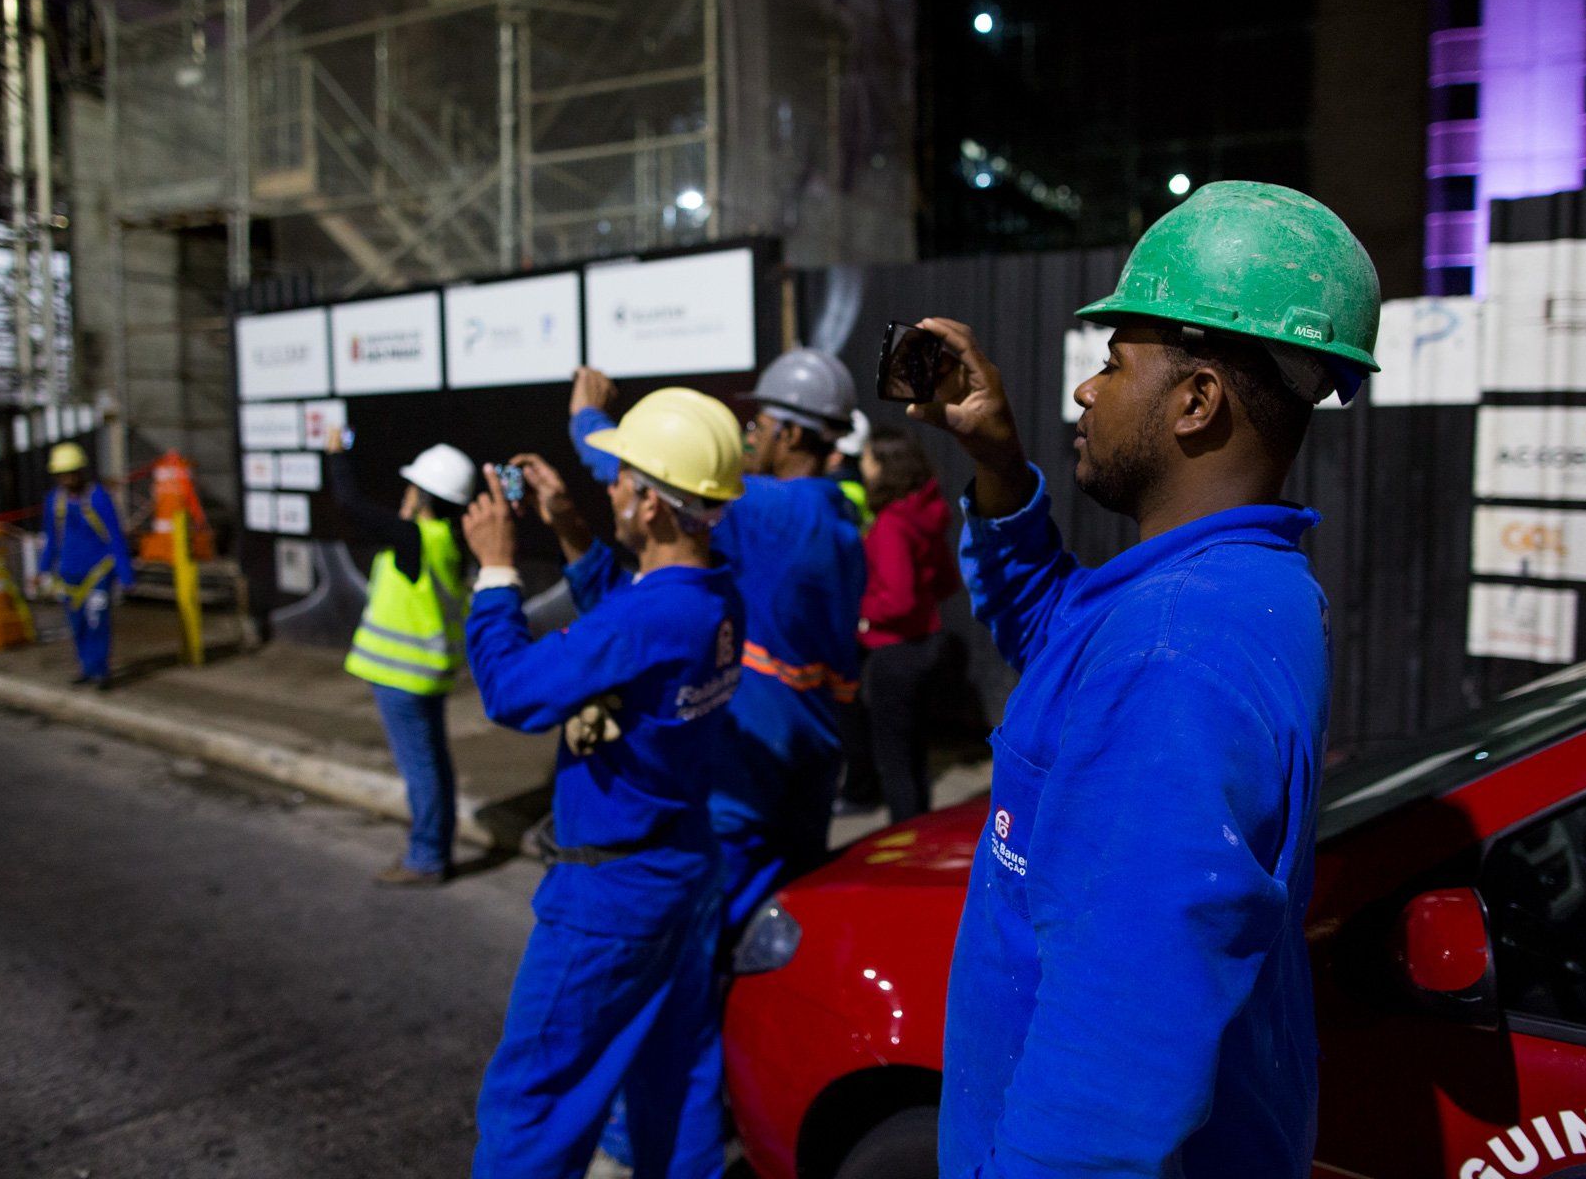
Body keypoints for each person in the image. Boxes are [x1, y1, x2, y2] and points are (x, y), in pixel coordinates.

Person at [911, 181, 1380, 1178]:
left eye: (1114, 363)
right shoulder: (1227, 589)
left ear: (1197, 399)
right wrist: (997, 461)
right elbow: (1052, 627)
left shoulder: (1178, 650)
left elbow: (1112, 1067)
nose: (1085, 391)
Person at [463, 389, 746, 1179]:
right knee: (676, 1073)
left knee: (533, 1101)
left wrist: (494, 570)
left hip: (610, 896)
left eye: (620, 478)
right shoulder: (716, 594)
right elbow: (627, 631)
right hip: (684, 866)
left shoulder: (648, 620)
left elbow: (512, 692)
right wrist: (568, 527)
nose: (610, 487)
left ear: (652, 504)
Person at [569, 352, 866, 935]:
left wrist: (586, 418)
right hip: (817, 749)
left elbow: (637, 472)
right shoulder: (841, 516)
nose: (749, 435)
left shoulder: (770, 511)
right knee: (784, 920)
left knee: (714, 931)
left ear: (793, 432)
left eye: (759, 426)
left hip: (756, 757)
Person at [328, 428, 476, 886]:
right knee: (433, 764)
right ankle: (434, 849)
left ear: (425, 496)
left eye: (412, 488)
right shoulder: (449, 540)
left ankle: (427, 858)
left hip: (401, 678)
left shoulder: (415, 539)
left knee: (421, 769)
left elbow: (350, 504)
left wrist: (337, 455)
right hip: (428, 674)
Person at [847, 426, 960, 823]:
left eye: (866, 458)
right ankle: (920, 834)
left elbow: (897, 598)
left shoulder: (892, 523)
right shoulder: (925, 514)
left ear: (883, 466)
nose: (861, 466)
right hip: (926, 643)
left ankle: (906, 845)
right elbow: (947, 581)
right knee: (914, 754)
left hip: (893, 651)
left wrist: (859, 615)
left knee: (894, 761)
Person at [37, 442, 134, 690]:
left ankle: (101, 670)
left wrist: (125, 574)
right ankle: (86, 667)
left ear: (80, 471)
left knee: (97, 622)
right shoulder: (54, 502)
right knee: (77, 623)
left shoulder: (99, 498)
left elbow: (115, 537)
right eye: (62, 474)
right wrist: (43, 570)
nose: (67, 479)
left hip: (98, 573)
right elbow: (51, 538)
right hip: (69, 574)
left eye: (71, 473)